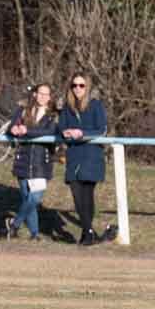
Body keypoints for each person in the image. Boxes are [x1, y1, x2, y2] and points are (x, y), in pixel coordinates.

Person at [60, 72, 115, 246]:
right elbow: (61, 127)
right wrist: (65, 132)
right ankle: (89, 232)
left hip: (91, 156)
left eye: (81, 85)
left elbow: (102, 130)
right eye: (74, 85)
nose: (77, 88)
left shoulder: (96, 105)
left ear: (87, 87)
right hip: (74, 156)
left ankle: (87, 233)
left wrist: (82, 133)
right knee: (76, 194)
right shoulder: (67, 107)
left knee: (87, 195)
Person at [4, 82, 57, 241]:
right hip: (23, 158)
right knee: (27, 198)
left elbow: (49, 131)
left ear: (50, 97)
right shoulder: (23, 110)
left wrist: (27, 130)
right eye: (40, 93)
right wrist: (13, 129)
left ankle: (14, 223)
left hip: (41, 161)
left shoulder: (54, 114)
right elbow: (11, 127)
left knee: (35, 198)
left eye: (46, 94)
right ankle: (34, 234)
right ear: (35, 94)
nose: (43, 97)